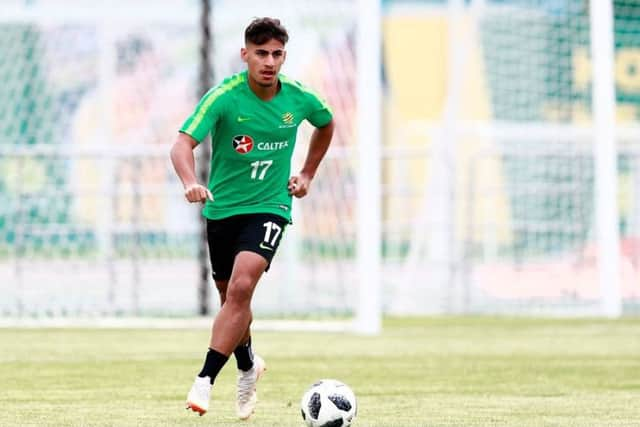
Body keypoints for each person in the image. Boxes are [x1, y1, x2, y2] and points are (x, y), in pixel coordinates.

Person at [170, 17, 335, 420]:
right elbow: (181, 145)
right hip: (222, 209)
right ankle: (247, 365)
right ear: (245, 55)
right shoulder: (225, 96)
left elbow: (326, 123)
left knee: (242, 287)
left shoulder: (298, 98)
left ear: (284, 57)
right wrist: (190, 181)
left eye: (277, 54)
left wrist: (308, 173)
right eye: (261, 53)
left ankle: (205, 379)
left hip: (270, 206)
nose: (269, 61)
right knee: (231, 301)